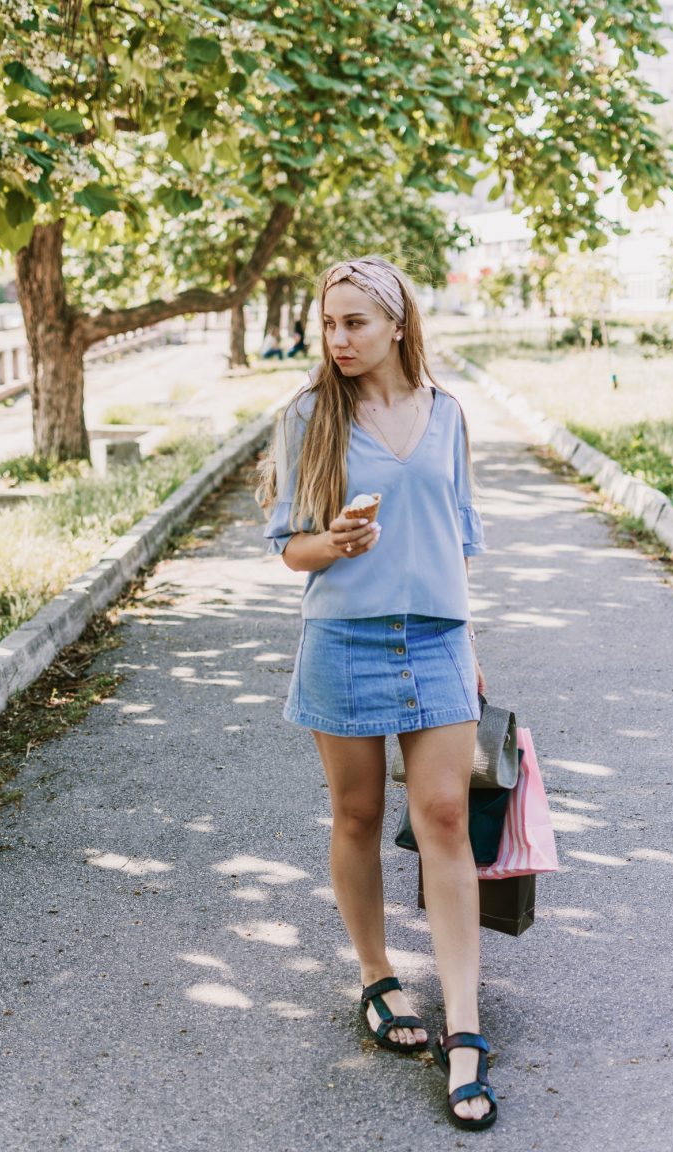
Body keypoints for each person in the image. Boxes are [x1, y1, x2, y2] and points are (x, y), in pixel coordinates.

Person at [256, 256, 496, 1132]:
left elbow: (457, 540)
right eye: (329, 324)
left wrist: (468, 644)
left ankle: (464, 1026)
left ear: (398, 324)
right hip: (345, 639)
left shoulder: (448, 415)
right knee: (357, 816)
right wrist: (337, 542)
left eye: (355, 322)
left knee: (443, 817)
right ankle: (377, 978)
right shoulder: (309, 417)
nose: (338, 339)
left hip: (435, 638)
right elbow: (290, 549)